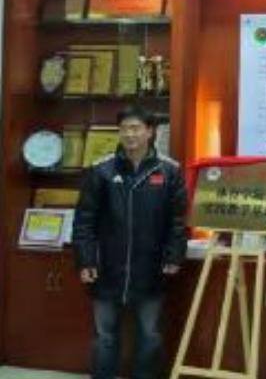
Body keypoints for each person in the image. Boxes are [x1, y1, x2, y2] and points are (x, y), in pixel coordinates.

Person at [72, 105, 188, 379]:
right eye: (124, 129)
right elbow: (84, 220)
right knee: (104, 335)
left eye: (135, 128)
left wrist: (174, 255)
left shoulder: (169, 171)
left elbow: (178, 221)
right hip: (107, 268)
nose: (129, 134)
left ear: (150, 132)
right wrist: (86, 260)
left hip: (151, 268)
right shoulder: (101, 170)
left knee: (151, 334)